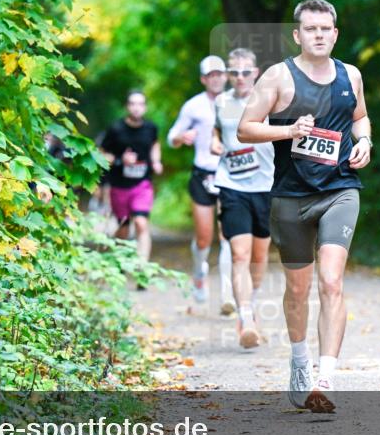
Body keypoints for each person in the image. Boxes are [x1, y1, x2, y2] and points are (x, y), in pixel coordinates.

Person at [237, 0, 372, 413]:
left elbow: (360, 117)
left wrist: (364, 140)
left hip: (340, 190)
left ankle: (326, 376)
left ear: (335, 33)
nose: (318, 35)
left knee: (332, 281)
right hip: (292, 196)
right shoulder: (279, 77)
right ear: (297, 35)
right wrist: (287, 130)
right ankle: (300, 363)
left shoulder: (351, 75)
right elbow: (245, 128)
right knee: (297, 290)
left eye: (325, 29)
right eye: (310, 29)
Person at [213, 48, 274, 349]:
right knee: (240, 254)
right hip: (231, 186)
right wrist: (215, 144)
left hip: (266, 187)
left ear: (256, 72)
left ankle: (252, 302)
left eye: (245, 72)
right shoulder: (220, 102)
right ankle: (246, 318)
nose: (239, 78)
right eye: (233, 72)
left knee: (260, 258)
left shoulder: (270, 101)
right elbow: (215, 132)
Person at [168, 55, 234, 312]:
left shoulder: (236, 103)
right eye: (211, 75)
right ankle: (199, 272)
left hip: (229, 174)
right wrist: (181, 138)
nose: (216, 78)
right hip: (203, 175)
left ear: (226, 76)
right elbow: (171, 137)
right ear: (204, 79)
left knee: (228, 235)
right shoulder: (193, 106)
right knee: (205, 238)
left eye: (220, 73)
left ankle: (228, 293)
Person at [100, 90, 163, 269]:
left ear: (145, 107)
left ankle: (142, 268)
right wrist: (121, 160)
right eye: (133, 104)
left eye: (140, 104)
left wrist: (156, 161)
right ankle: (120, 264)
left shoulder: (151, 128)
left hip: (142, 184)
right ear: (127, 107)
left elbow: (155, 144)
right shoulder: (116, 129)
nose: (136, 108)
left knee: (142, 223)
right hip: (119, 186)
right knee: (123, 227)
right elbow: (102, 154)